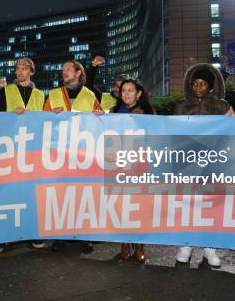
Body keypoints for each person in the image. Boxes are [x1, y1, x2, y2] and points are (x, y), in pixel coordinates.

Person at [173, 63, 234, 268]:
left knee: (209, 204)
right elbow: (173, 133)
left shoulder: (221, 105)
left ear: (209, 86)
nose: (198, 87)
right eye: (195, 83)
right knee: (188, 204)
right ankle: (186, 244)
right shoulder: (181, 106)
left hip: (213, 163)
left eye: (203, 83)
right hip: (187, 163)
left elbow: (234, 130)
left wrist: (232, 119)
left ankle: (209, 246)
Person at [0, 58, 46, 253]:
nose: (20, 72)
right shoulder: (4, 92)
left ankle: (33, 233)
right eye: (17, 69)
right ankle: (3, 236)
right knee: (6, 193)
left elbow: (47, 122)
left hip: (32, 151)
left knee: (31, 194)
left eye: (24, 69)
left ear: (32, 72)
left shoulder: (41, 95)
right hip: (9, 150)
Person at [45, 60, 101, 253]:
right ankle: (61, 235)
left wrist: (100, 116)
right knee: (61, 197)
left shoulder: (90, 95)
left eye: (68, 69)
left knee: (83, 196)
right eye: (63, 69)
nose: (64, 72)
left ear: (78, 73)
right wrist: (50, 115)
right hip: (59, 155)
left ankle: (85, 236)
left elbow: (98, 124)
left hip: (83, 156)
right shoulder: (53, 94)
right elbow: (41, 122)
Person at [111, 78, 155, 262]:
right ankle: (124, 242)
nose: (126, 93)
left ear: (138, 94)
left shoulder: (148, 113)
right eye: (123, 91)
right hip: (120, 164)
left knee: (139, 206)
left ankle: (139, 244)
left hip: (140, 165)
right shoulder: (113, 113)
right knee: (122, 205)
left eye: (130, 90)